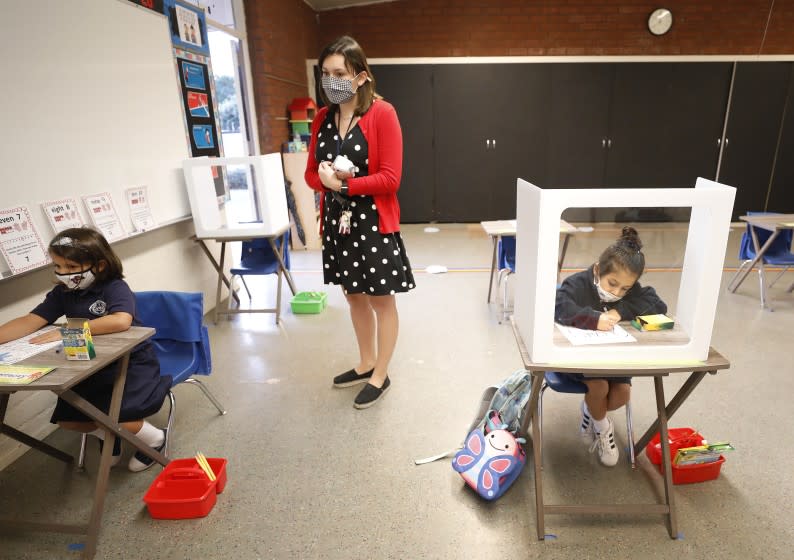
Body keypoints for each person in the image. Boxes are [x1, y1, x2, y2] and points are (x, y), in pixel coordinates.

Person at [0, 228, 171, 472]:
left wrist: (65, 331)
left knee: (116, 415)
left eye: (70, 267)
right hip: (91, 365)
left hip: (130, 364)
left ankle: (155, 439)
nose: (63, 273)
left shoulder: (114, 287)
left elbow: (121, 320)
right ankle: (111, 436)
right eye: (58, 266)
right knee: (68, 421)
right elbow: (30, 320)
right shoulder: (63, 293)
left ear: (99, 265)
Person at [304, 36, 415, 409]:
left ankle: (380, 373)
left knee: (380, 299)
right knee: (353, 296)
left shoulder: (383, 114)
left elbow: (391, 178)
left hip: (373, 221)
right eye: (325, 74)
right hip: (339, 222)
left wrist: (345, 184)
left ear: (361, 76)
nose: (331, 80)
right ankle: (365, 362)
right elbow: (309, 175)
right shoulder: (322, 117)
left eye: (340, 73)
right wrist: (324, 178)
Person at [555, 226, 667, 466]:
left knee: (621, 395)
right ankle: (603, 428)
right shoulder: (576, 284)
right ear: (597, 270)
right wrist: (593, 319)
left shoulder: (627, 293)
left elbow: (658, 304)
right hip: (579, 361)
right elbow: (560, 308)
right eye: (612, 284)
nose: (617, 292)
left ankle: (591, 412)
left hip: (615, 359)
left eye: (625, 289)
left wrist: (621, 310)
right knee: (598, 386)